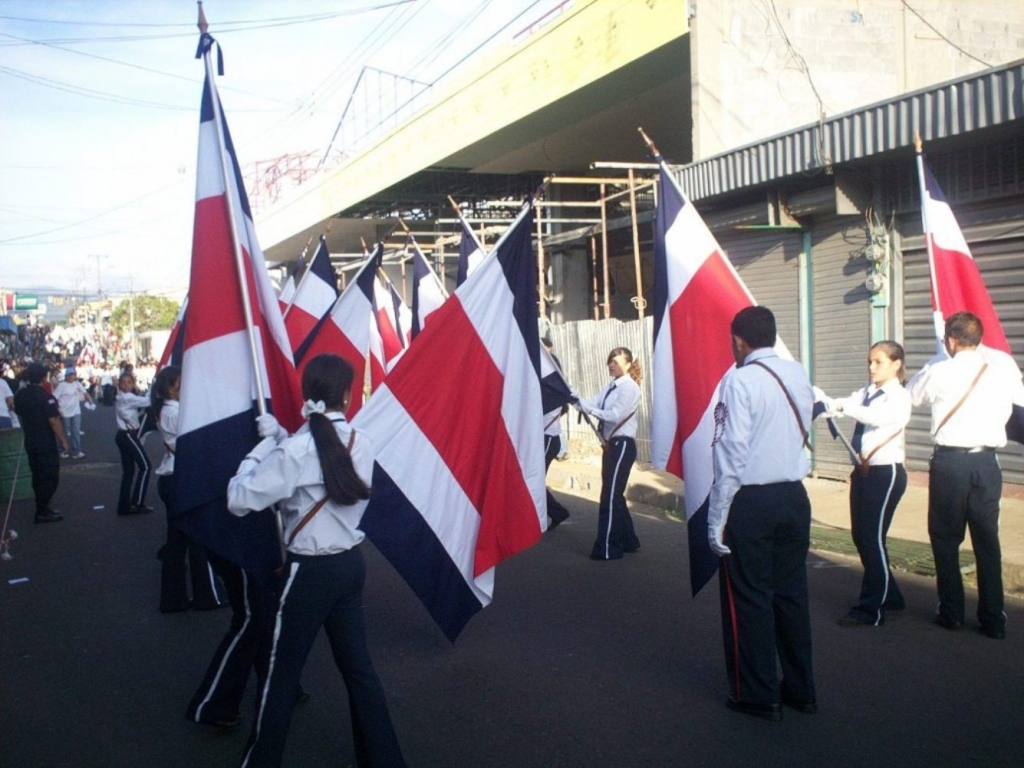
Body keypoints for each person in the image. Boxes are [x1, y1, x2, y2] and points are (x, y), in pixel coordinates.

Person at [227, 354, 405, 767]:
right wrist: (284, 439)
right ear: (347, 394)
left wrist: (259, 451)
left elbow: (238, 500)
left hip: (307, 574)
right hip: (349, 567)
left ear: (308, 394)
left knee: (280, 677)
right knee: (360, 673)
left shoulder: (295, 450)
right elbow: (322, 457)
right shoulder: (363, 441)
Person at [708, 306, 816, 721]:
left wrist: (716, 516)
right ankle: (801, 688)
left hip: (751, 500)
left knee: (749, 597)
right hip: (794, 496)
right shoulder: (797, 373)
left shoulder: (739, 380)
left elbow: (731, 451)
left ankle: (757, 692)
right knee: (790, 594)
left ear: (739, 340)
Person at [906, 312, 1022, 640]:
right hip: (987, 464)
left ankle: (952, 611)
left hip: (950, 464)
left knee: (945, 538)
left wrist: (936, 360)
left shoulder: (939, 369)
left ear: (952, 340)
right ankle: (993, 619)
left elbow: (912, 396)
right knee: (987, 542)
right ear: (979, 339)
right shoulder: (1000, 373)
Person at [819, 341, 912, 627]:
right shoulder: (866, 392)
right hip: (863, 473)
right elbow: (839, 405)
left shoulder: (898, 396)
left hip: (886, 473)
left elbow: (875, 418)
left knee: (872, 539)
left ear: (896, 364)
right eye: (869, 362)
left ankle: (872, 609)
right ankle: (891, 596)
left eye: (878, 362)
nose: (871, 368)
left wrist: (846, 407)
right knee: (863, 538)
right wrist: (825, 402)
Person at [151, 366, 227, 613]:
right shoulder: (176, 413)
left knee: (176, 543)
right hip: (181, 479)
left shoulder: (166, 411)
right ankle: (208, 595)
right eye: (181, 385)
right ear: (170, 389)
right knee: (198, 538)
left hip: (171, 478)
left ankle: (173, 598)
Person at [575, 347, 642, 560]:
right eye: (610, 361)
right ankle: (629, 540)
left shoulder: (629, 388)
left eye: (616, 361)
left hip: (623, 444)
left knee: (610, 496)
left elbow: (614, 415)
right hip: (611, 445)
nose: (611, 365)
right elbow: (591, 403)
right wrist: (574, 398)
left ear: (629, 364)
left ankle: (608, 547)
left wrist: (590, 409)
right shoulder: (610, 387)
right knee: (614, 494)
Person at [12, 363, 69, 523]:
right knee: (50, 475)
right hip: (45, 440)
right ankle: (42, 509)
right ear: (43, 377)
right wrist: (63, 440)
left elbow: (18, 411)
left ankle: (42, 506)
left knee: (37, 474)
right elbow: (53, 420)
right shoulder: (46, 397)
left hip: (30, 438)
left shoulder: (21, 395)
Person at [114, 371, 154, 515]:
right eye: (123, 383)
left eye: (129, 382)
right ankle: (137, 502)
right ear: (119, 384)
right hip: (127, 435)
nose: (126, 385)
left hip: (123, 435)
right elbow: (148, 401)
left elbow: (133, 413)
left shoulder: (121, 397)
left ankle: (124, 505)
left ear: (133, 383)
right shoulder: (127, 397)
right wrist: (153, 386)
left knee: (129, 471)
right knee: (146, 466)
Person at [542, 338, 570, 530]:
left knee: (532, 481)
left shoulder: (552, 397)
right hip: (544, 439)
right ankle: (555, 512)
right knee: (531, 480)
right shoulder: (547, 394)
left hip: (548, 439)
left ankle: (557, 511)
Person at [53, 367, 93, 459]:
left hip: (76, 411)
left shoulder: (77, 383)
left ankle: (77, 451)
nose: (71, 377)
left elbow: (84, 392)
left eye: (73, 375)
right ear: (66, 376)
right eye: (70, 375)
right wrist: (58, 409)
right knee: (65, 432)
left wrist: (90, 399)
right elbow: (54, 397)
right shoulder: (62, 385)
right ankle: (62, 449)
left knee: (76, 431)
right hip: (64, 412)